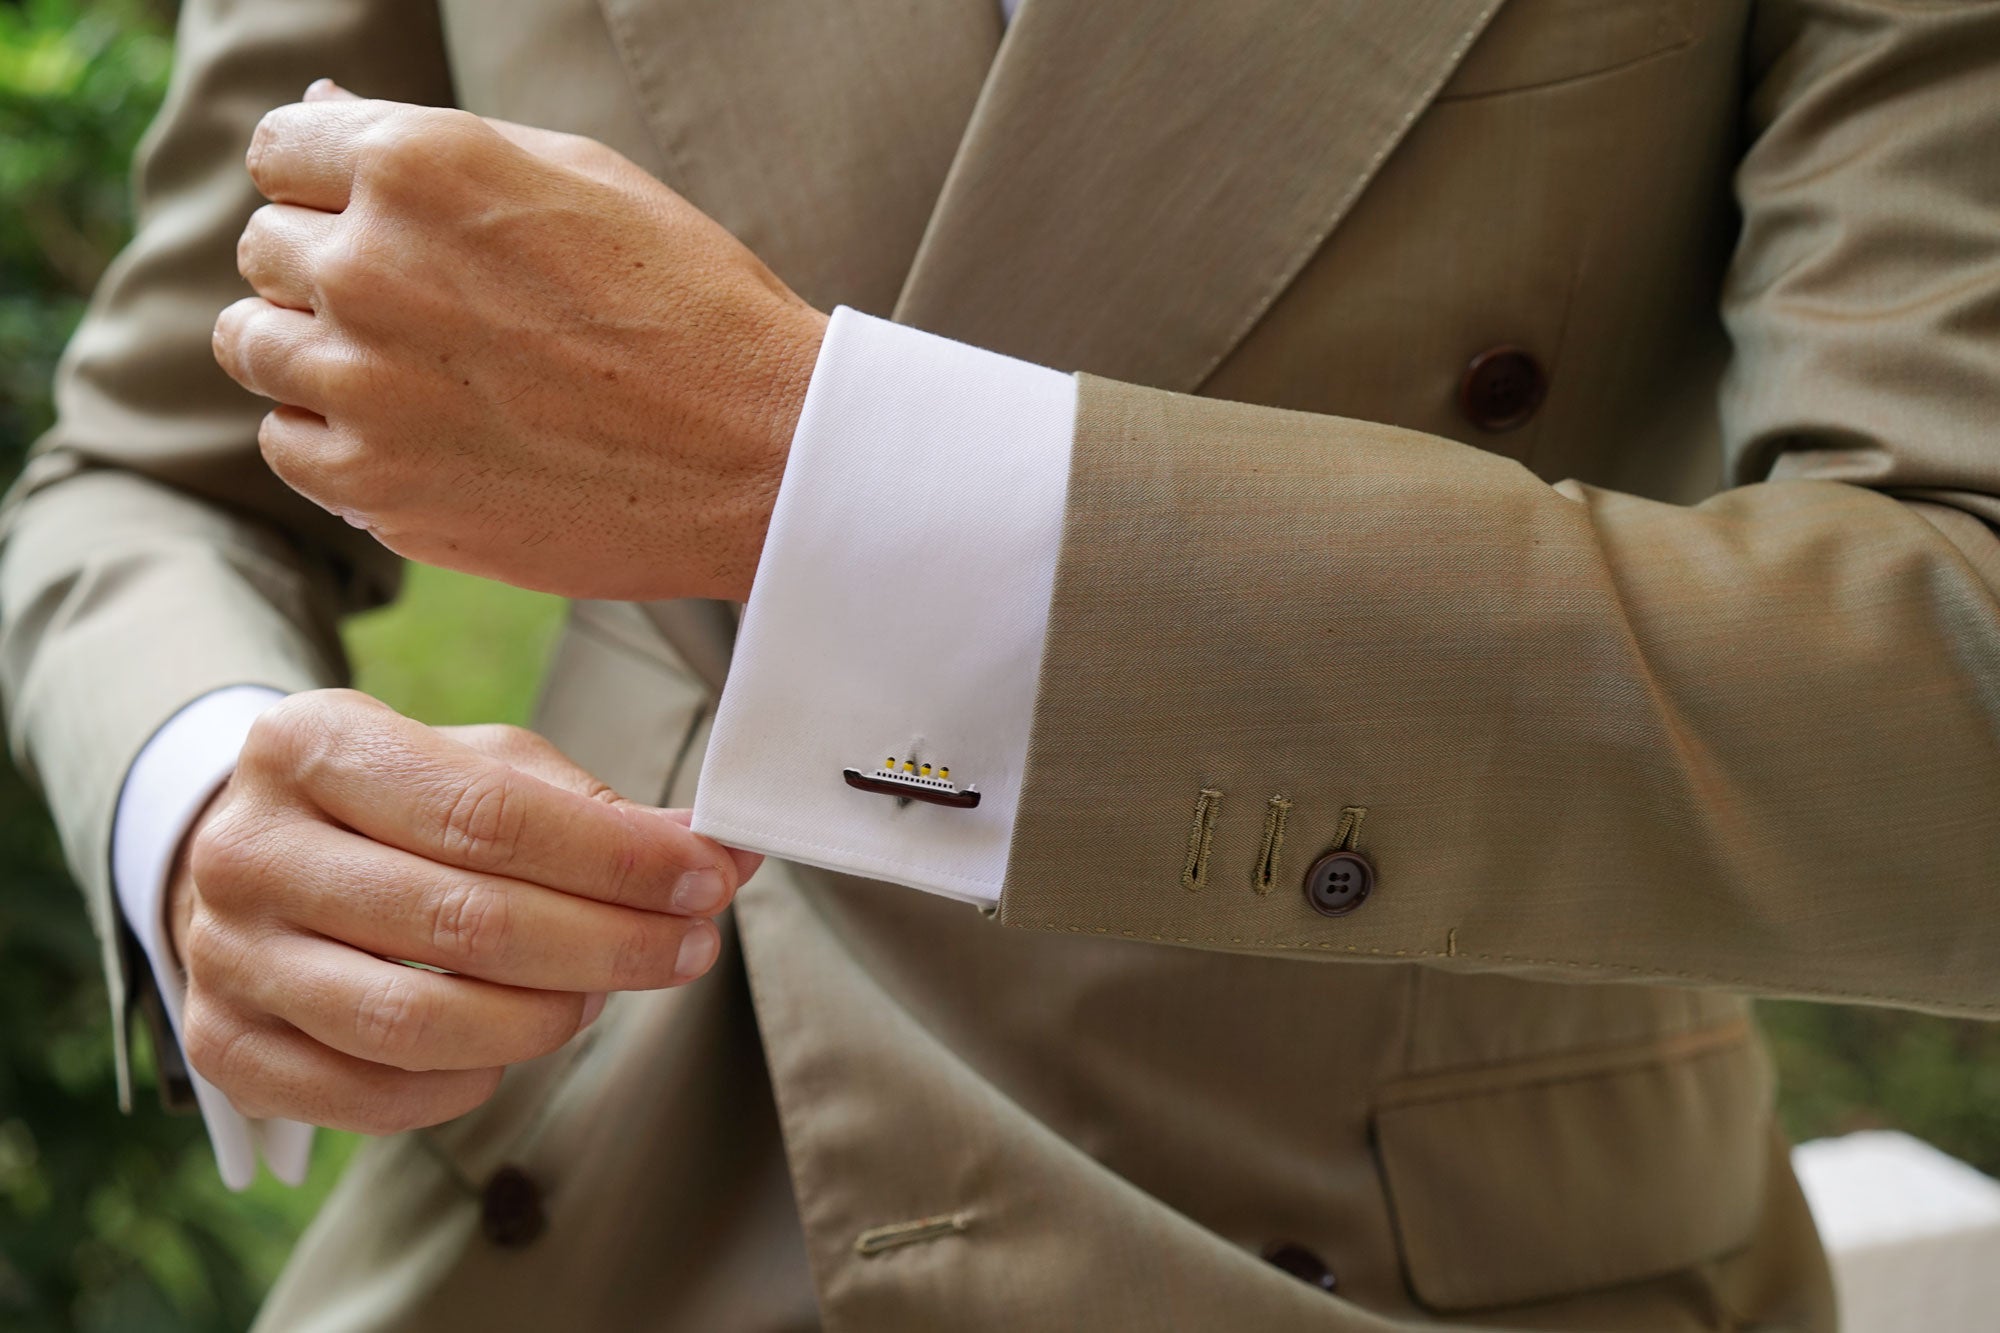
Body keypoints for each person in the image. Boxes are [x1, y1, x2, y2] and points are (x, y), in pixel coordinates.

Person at [5, 0, 1997, 1327]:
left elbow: (1955, 691)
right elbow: (144, 475)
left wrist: (833, 480)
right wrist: (202, 796)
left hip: (1390, 1252)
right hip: (597, 1186)